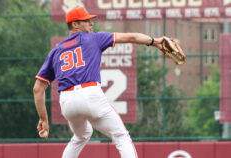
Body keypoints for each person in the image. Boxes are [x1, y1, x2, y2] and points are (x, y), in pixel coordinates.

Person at [33, 7, 164, 158]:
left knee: (81, 135)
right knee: (121, 136)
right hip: (90, 95)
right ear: (75, 24)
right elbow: (132, 38)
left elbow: (38, 89)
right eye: (87, 20)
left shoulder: (56, 51)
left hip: (66, 102)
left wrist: (43, 118)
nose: (91, 23)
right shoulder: (94, 38)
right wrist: (154, 41)